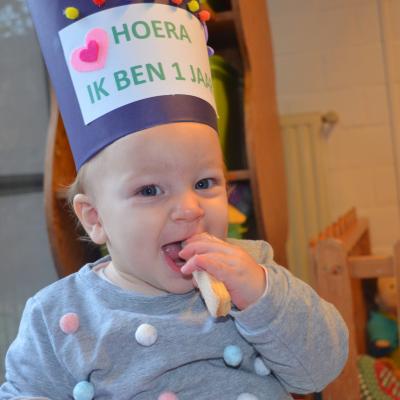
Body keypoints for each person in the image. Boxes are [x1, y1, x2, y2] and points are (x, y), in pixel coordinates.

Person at [0, 1, 348, 399]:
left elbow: (320, 370)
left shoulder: (252, 271)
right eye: (150, 190)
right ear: (95, 218)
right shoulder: (59, 316)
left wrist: (262, 295)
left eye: (204, 182)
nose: (190, 209)